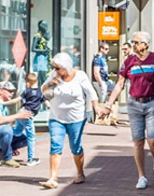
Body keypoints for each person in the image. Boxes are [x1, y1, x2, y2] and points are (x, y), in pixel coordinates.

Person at [104, 31, 154, 190]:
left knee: (152, 139)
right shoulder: (129, 61)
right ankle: (141, 176)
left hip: (152, 103)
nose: (133, 45)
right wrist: (108, 105)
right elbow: (120, 84)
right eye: (133, 42)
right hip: (134, 104)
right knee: (138, 142)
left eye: (136, 42)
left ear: (145, 44)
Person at [39, 52, 106, 189]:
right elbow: (43, 91)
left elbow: (91, 92)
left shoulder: (79, 76)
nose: (55, 70)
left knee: (75, 146)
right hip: (56, 117)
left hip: (76, 118)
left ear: (66, 66)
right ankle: (53, 178)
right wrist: (50, 84)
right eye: (54, 67)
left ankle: (80, 173)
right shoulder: (54, 75)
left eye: (58, 68)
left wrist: (96, 107)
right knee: (55, 146)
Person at [0, 81, 33, 168]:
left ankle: (7, 150)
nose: (12, 93)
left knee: (27, 137)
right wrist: (18, 116)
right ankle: (7, 159)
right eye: (9, 91)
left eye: (12, 91)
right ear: (0, 91)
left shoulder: (4, 106)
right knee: (7, 129)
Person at [15, 72, 49, 166]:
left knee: (16, 132)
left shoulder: (26, 91)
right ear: (37, 81)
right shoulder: (40, 93)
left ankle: (6, 150)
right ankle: (30, 159)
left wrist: (7, 103)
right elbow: (47, 104)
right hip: (28, 115)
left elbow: (18, 99)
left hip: (21, 112)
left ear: (27, 82)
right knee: (31, 137)